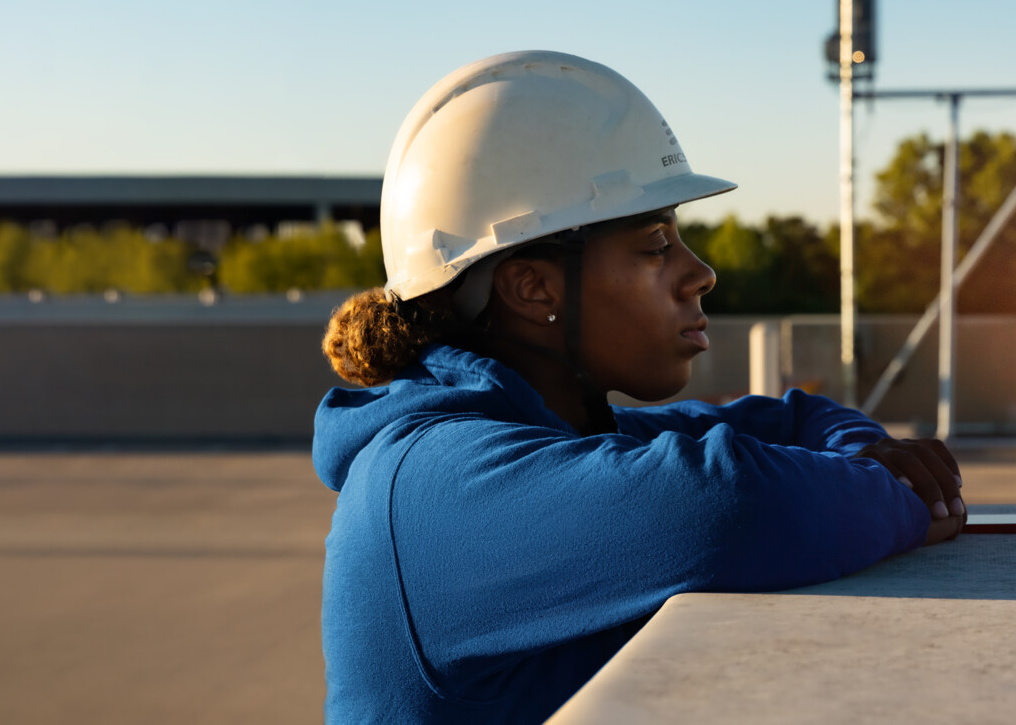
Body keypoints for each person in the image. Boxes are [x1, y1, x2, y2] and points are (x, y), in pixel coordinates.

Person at [314, 50, 966, 724]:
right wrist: (903, 495)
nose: (700, 273)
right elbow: (725, 506)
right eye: (656, 244)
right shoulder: (437, 483)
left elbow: (797, 420)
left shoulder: (557, 437)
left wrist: (865, 456)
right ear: (533, 287)